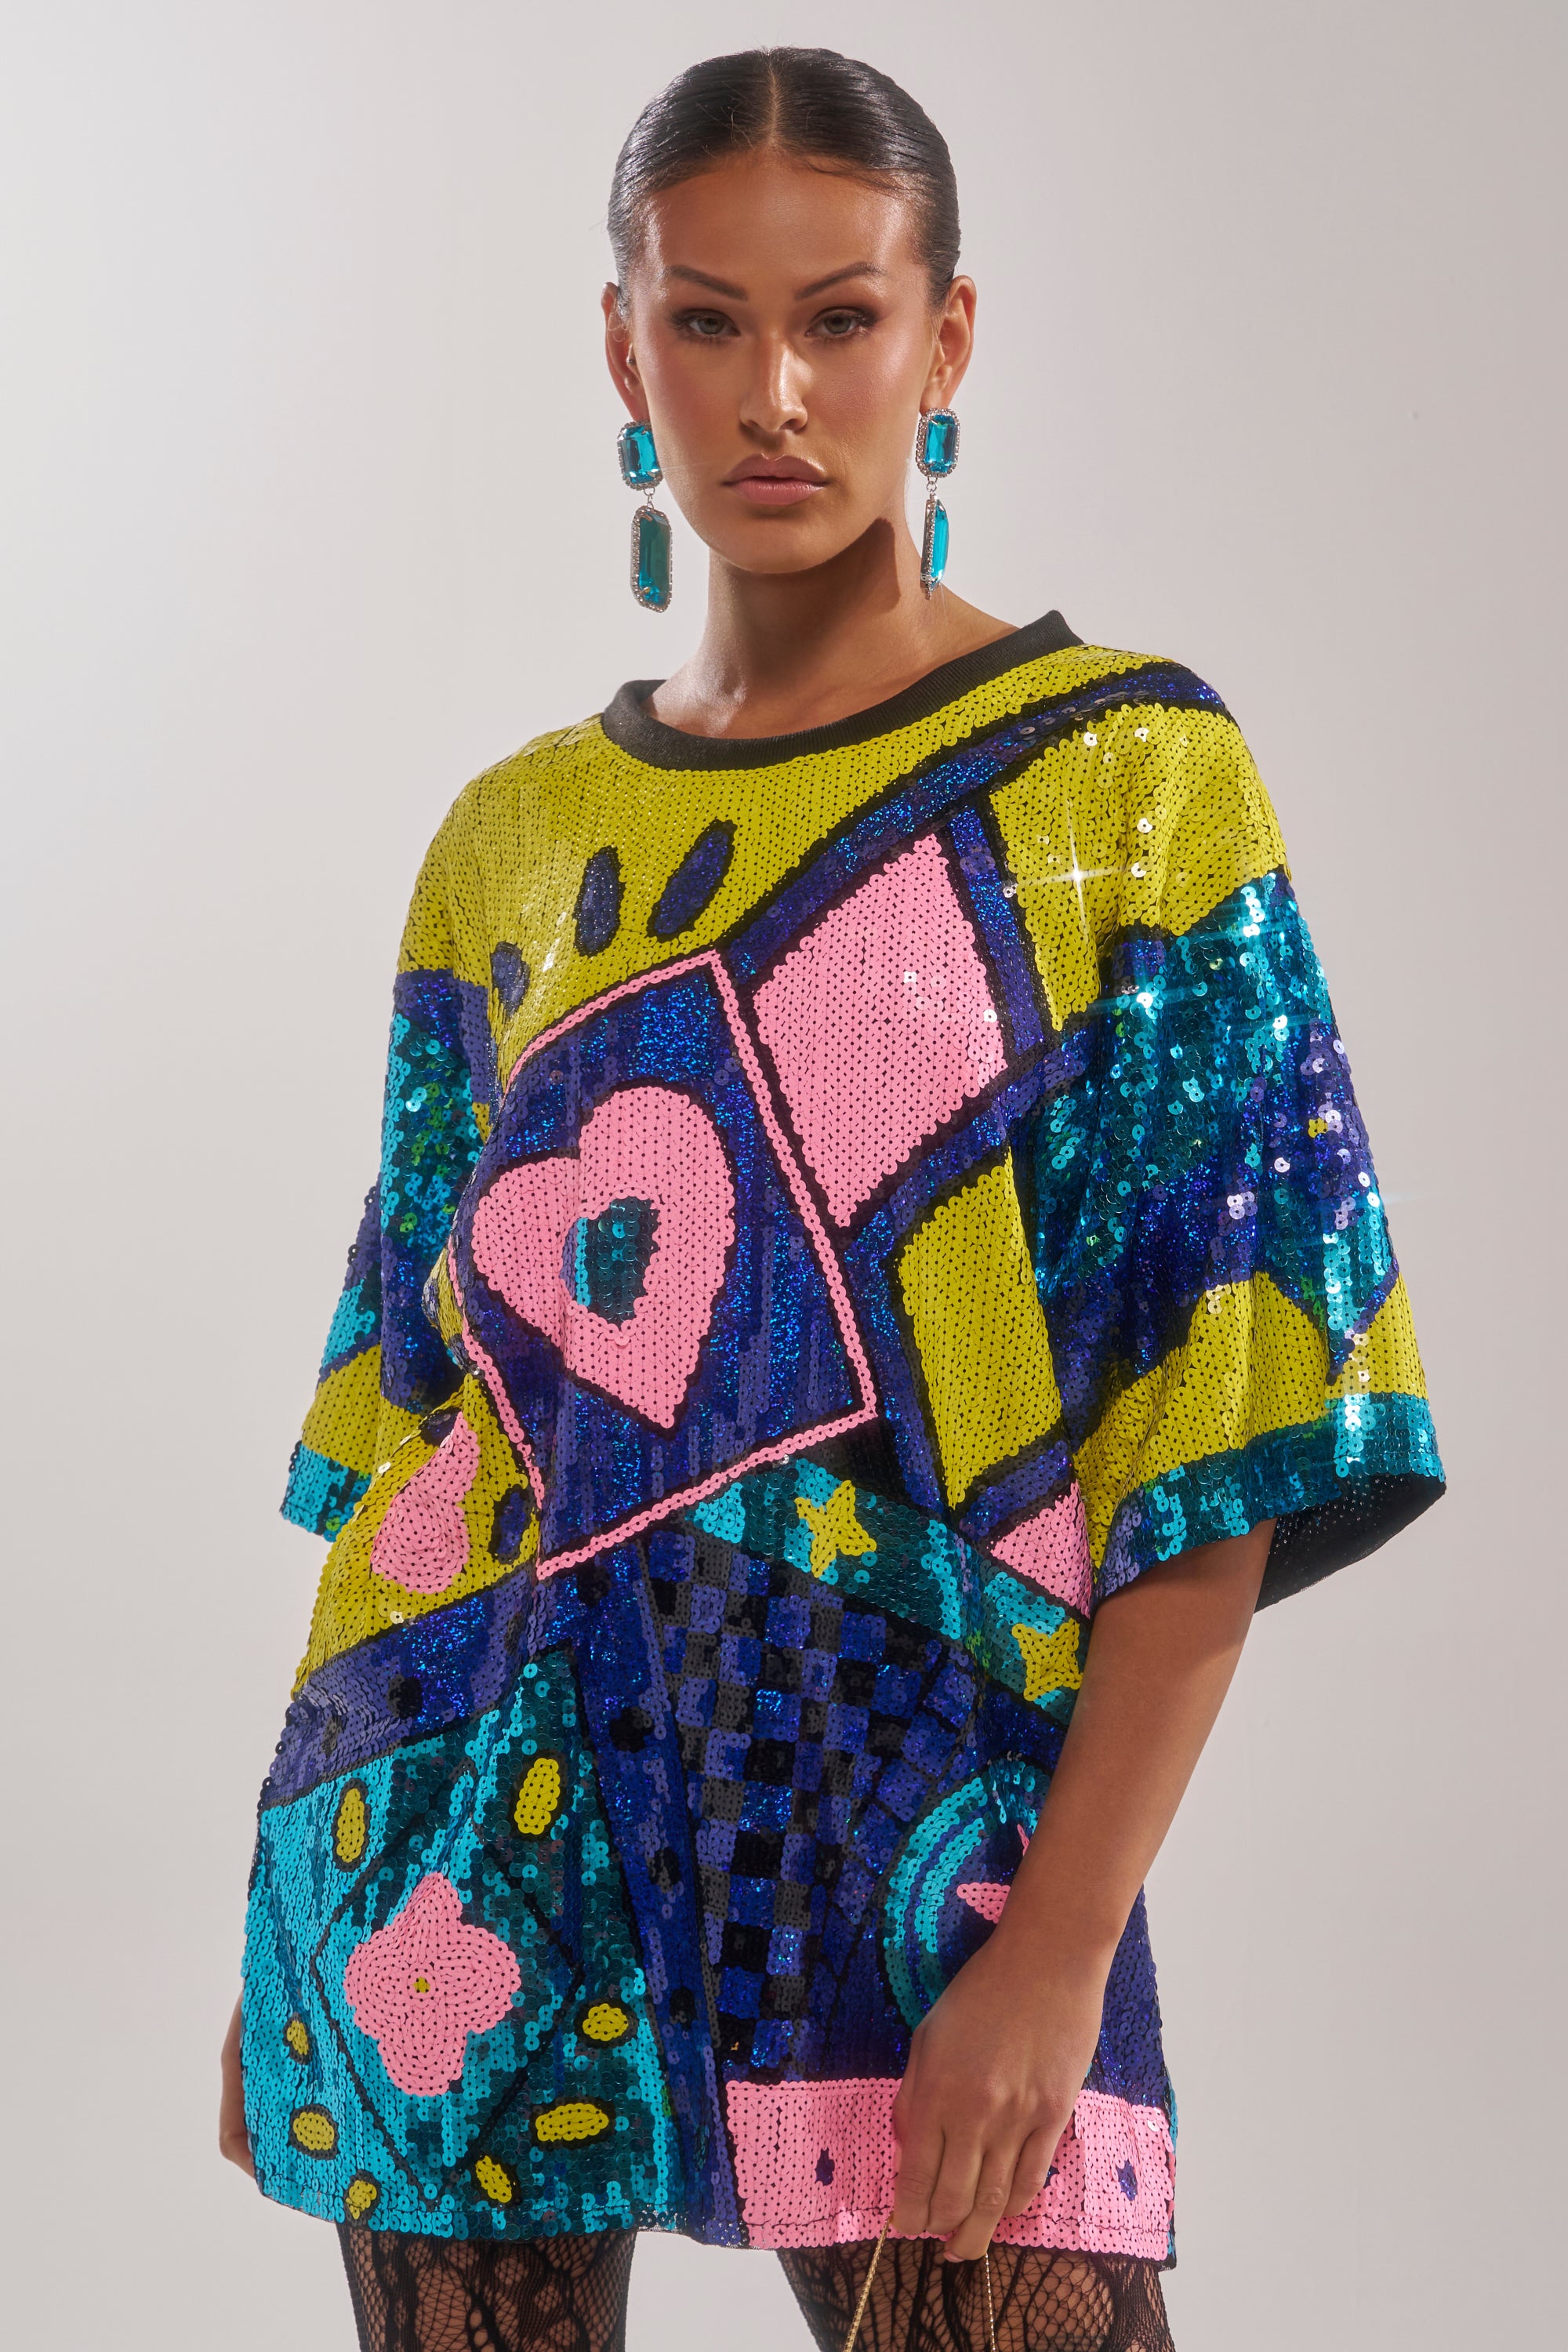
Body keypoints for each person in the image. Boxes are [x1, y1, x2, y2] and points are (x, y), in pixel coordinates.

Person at [220, 47, 1443, 2352]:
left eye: (843, 319)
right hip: (466, 1853)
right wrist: (301, 1913)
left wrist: (1064, 1944)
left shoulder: (1131, 791)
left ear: (946, 339)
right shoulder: (511, 847)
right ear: (623, 351)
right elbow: (420, 1435)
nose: (772, 391)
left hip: (918, 1855)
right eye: (704, 320)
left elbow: (1231, 1421)